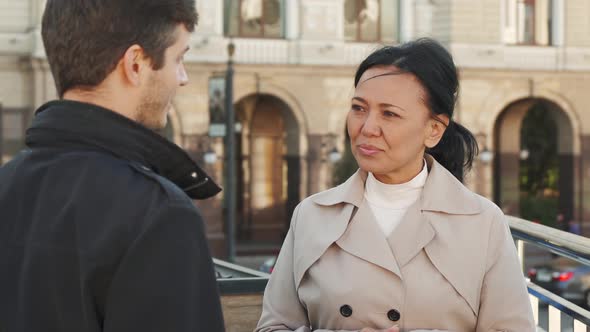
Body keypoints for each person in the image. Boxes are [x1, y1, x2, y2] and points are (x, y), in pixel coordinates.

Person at [256, 39, 535, 332]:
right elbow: (273, 326)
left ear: (434, 130)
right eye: (359, 108)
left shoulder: (482, 222)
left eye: (389, 114)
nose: (367, 128)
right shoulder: (312, 215)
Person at [0, 1, 225, 331]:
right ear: (135, 64)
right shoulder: (159, 214)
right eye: (178, 58)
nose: (183, 78)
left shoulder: (6, 184)